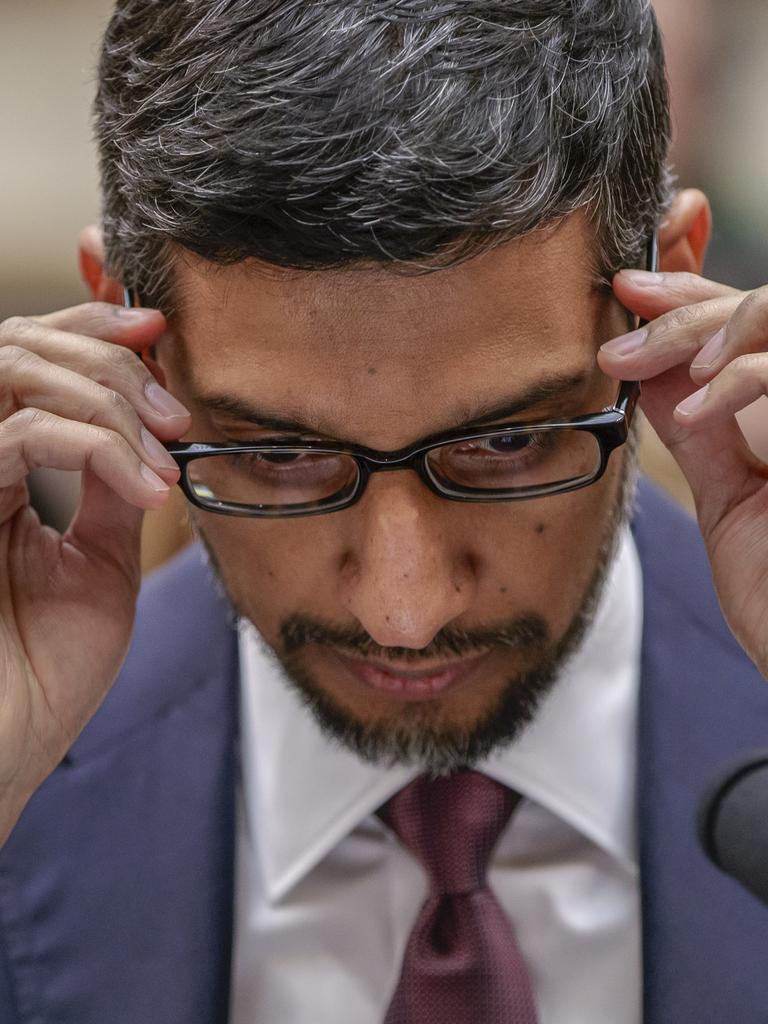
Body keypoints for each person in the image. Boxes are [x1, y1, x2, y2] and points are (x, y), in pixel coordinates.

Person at [2, 1, 768, 1022]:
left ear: (665, 296)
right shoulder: (29, 791)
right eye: (280, 453)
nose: (404, 614)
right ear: (130, 342)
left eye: (505, 442)